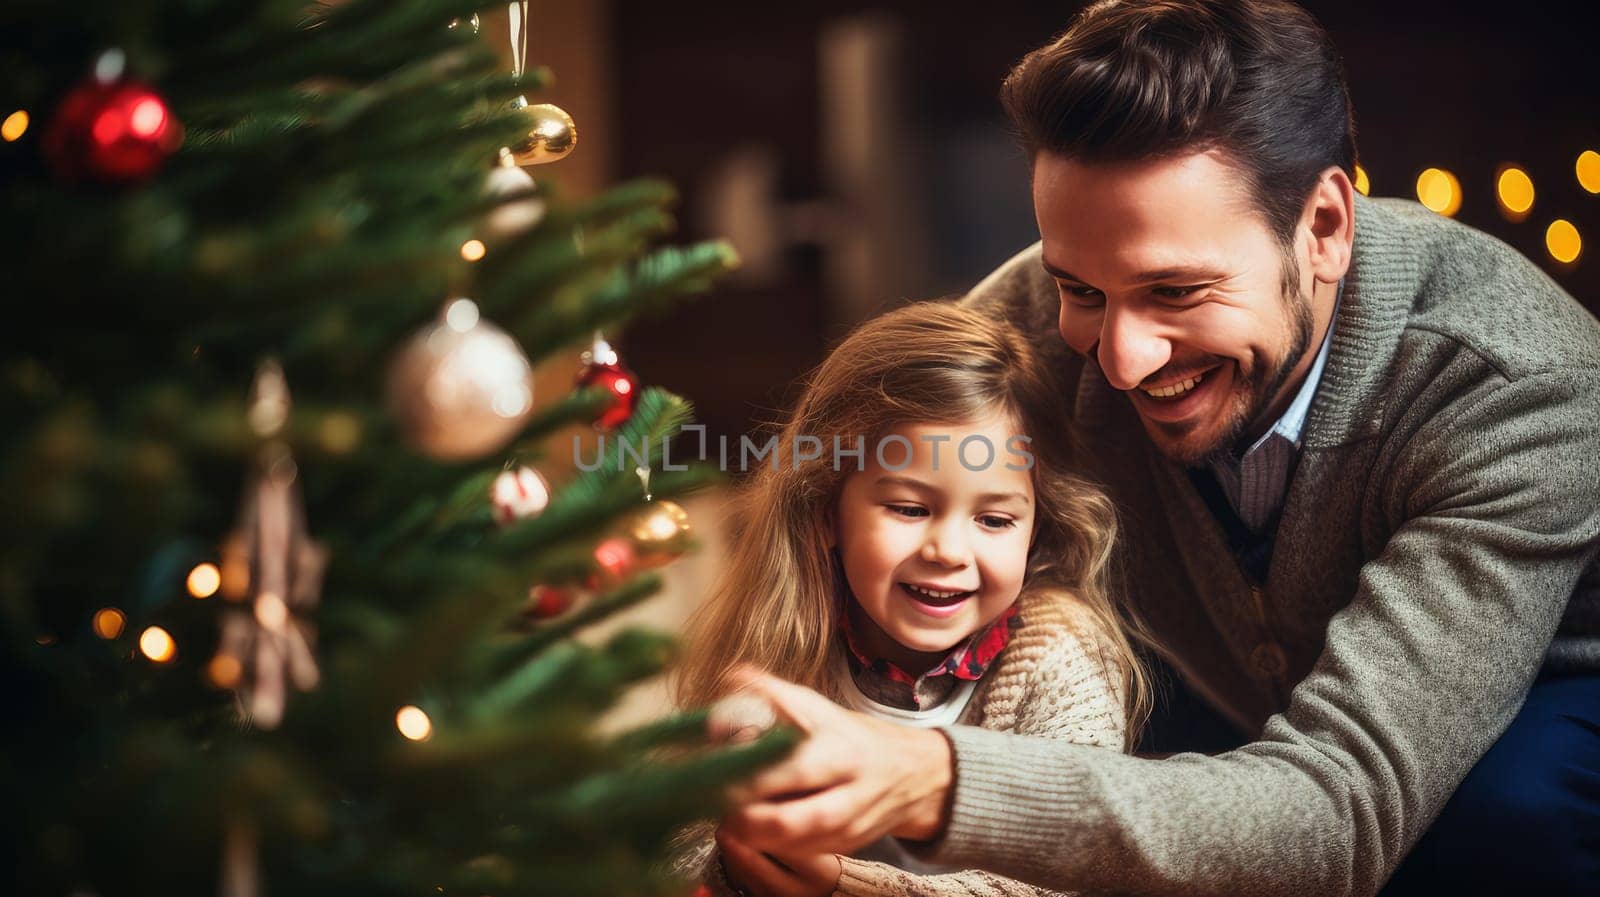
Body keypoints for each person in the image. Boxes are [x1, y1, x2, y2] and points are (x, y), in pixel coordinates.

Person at [713, 1, 1600, 895]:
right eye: (1080, 289)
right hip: (1228, 689)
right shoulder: (1028, 334)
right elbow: (844, 498)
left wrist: (933, 778)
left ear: (1324, 227)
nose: (1122, 361)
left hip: (1527, 710)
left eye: (1175, 291)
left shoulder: (1518, 385)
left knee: (1508, 817)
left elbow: (1338, 814)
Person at [672, 302, 1151, 896]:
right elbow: (682, 840)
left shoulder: (1062, 662)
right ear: (826, 513)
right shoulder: (781, 644)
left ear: (1039, 532)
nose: (948, 549)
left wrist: (841, 886)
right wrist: (735, 864)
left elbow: (1053, 886)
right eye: (908, 508)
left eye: (995, 519)